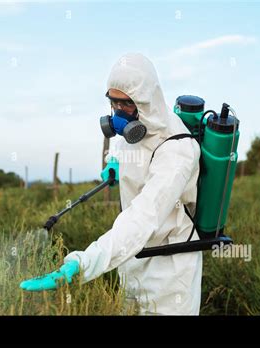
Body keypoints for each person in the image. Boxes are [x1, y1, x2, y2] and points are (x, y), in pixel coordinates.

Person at [20, 53, 202, 315]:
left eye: (126, 104)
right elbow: (122, 144)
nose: (118, 113)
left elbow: (143, 217)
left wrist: (83, 263)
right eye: (113, 103)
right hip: (130, 259)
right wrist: (114, 161)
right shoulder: (134, 130)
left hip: (169, 272)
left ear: (146, 100)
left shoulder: (178, 150)